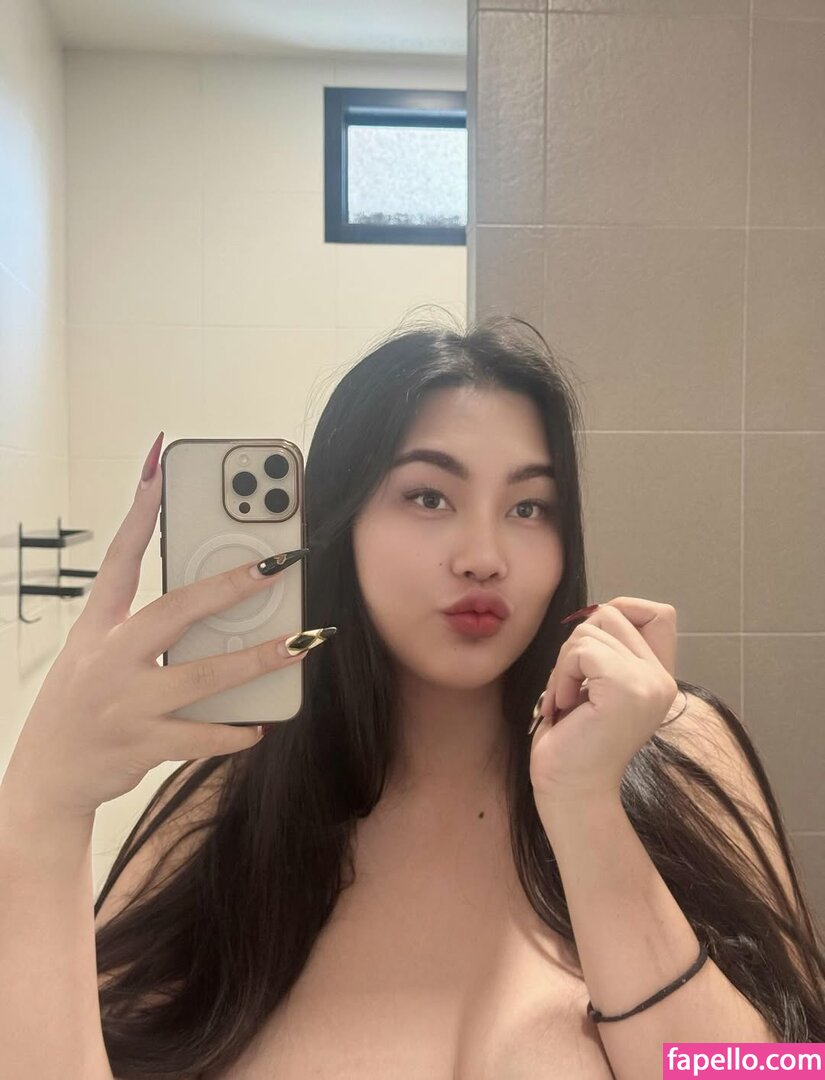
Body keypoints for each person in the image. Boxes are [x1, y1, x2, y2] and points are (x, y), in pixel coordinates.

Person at [2, 315, 823, 1080]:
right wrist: (41, 809)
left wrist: (584, 808)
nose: (483, 555)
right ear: (343, 524)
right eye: (428, 497)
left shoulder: (674, 750)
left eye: (528, 507)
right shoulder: (232, 805)